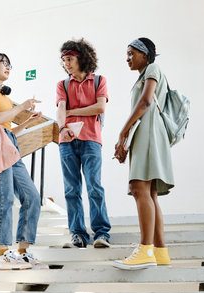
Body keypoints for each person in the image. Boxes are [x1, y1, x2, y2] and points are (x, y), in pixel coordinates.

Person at [0, 52, 48, 270]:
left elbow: (9, 129)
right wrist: (22, 106)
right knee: (4, 197)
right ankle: (1, 253)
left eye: (10, 65)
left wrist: (27, 121)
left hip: (10, 144)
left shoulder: (6, 98)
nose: (8, 67)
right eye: (4, 63)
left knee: (32, 196)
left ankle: (23, 252)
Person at [112, 38, 174, 270]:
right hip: (147, 134)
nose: (127, 58)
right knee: (150, 193)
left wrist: (122, 131)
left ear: (145, 54)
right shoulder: (143, 75)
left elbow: (146, 102)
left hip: (149, 133)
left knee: (139, 189)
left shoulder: (153, 68)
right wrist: (126, 139)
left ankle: (145, 249)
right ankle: (159, 251)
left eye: (131, 53)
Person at [56, 38, 111, 249]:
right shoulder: (62, 85)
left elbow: (99, 108)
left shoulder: (99, 81)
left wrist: (71, 112)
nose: (66, 64)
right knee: (71, 190)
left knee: (94, 187)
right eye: (63, 60)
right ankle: (78, 235)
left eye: (69, 59)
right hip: (66, 140)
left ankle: (102, 233)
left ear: (82, 58)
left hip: (91, 140)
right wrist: (62, 127)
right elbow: (60, 108)